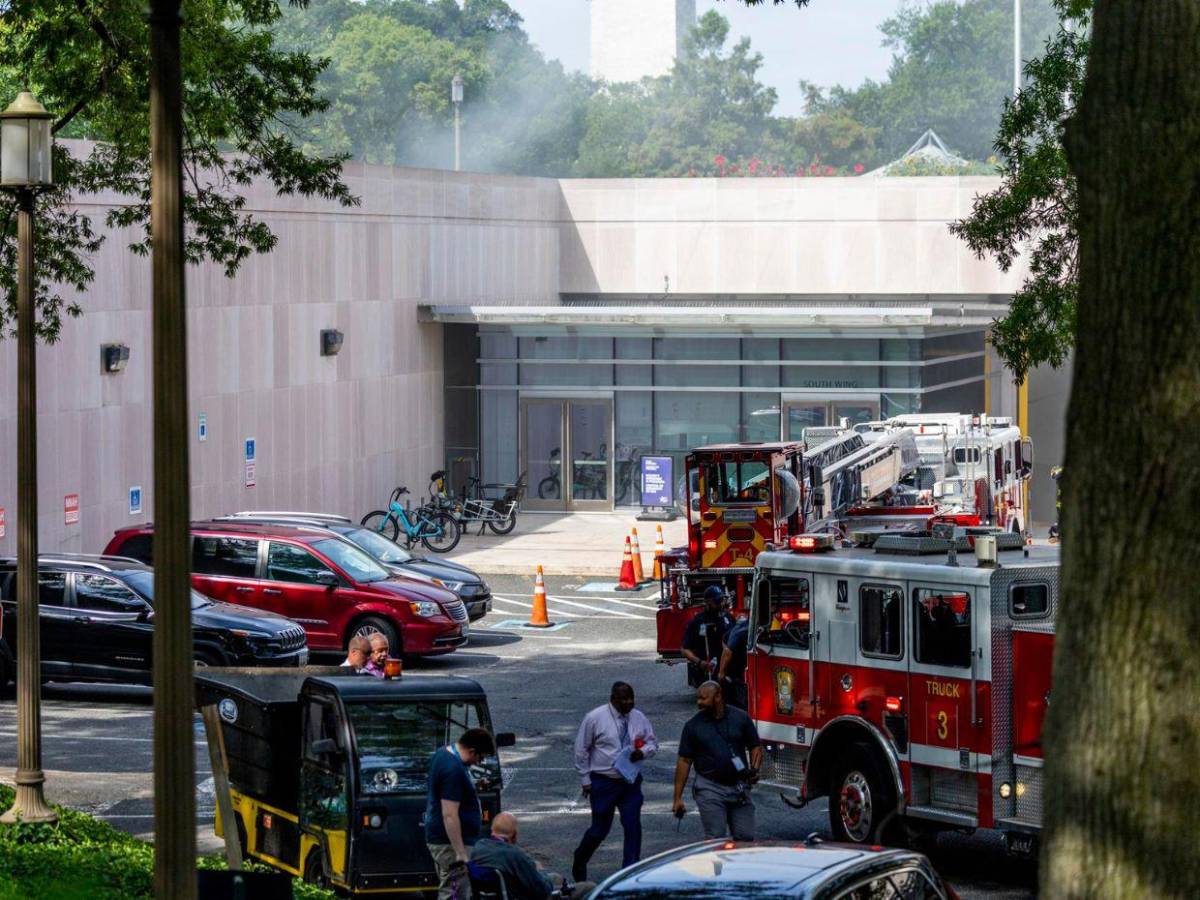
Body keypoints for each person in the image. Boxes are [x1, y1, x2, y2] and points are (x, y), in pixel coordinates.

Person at [571, 682, 658, 882]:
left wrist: (642, 752)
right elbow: (581, 750)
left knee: (632, 825)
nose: (629, 703)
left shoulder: (638, 717)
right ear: (613, 699)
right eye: (624, 699)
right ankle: (580, 858)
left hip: (630, 782)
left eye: (631, 699)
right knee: (599, 830)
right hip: (604, 781)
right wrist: (585, 779)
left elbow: (652, 742)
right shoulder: (595, 718)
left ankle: (629, 873)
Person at [672, 681, 763, 841]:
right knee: (716, 838)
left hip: (739, 787)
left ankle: (738, 866)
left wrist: (755, 769)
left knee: (745, 837)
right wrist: (677, 798)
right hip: (710, 788)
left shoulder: (740, 718)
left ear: (718, 696)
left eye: (703, 698)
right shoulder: (693, 726)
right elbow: (684, 761)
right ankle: (717, 866)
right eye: (698, 698)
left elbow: (755, 746)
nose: (699, 703)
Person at [425, 727, 496, 900]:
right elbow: (449, 814)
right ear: (471, 750)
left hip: (441, 838)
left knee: (454, 888)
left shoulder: (443, 754)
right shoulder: (453, 770)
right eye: (480, 757)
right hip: (450, 844)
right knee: (455, 892)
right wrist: (460, 852)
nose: (478, 762)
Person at [470, 812, 594, 900]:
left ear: (492, 830)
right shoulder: (514, 855)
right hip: (523, 894)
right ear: (514, 834)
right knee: (589, 887)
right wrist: (538, 870)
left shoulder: (479, 847)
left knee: (556, 877)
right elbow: (541, 890)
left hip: (502, 890)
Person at [681, 586, 734, 687]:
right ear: (708, 602)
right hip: (708, 669)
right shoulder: (698, 621)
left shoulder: (727, 617)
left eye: (722, 600)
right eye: (717, 601)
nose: (721, 604)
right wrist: (700, 662)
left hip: (727, 668)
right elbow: (684, 649)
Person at [717, 614, 751, 710]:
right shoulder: (743, 631)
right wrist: (721, 673)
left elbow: (725, 643)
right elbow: (727, 651)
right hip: (734, 666)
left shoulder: (742, 626)